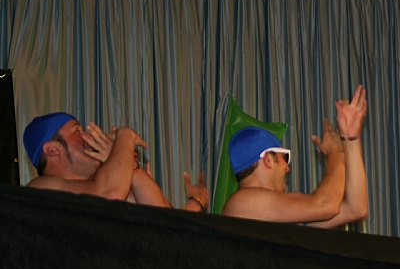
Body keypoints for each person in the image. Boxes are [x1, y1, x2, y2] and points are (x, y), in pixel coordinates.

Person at [222, 85, 368, 228]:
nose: (287, 168)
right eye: (285, 158)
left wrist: (350, 140)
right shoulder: (241, 203)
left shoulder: (277, 214)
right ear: (268, 160)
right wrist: (334, 153)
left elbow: (356, 209)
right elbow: (326, 205)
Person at [22, 112, 208, 212]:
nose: (88, 137)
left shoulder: (105, 182)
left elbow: (164, 223)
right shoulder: (39, 188)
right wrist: (125, 136)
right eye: (77, 132)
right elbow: (108, 195)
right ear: (52, 150)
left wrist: (131, 168)